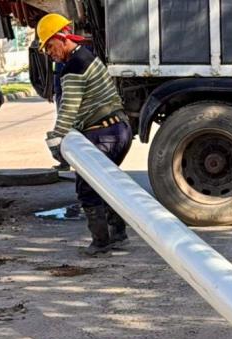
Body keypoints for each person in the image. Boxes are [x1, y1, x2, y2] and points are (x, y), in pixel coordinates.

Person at [37, 13, 132, 256]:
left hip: (103, 135)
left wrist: (56, 138)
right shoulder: (87, 56)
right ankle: (118, 234)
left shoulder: (73, 67)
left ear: (62, 38)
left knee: (87, 188)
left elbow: (68, 109)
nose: (49, 52)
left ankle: (101, 243)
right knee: (107, 184)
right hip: (120, 129)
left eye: (49, 45)